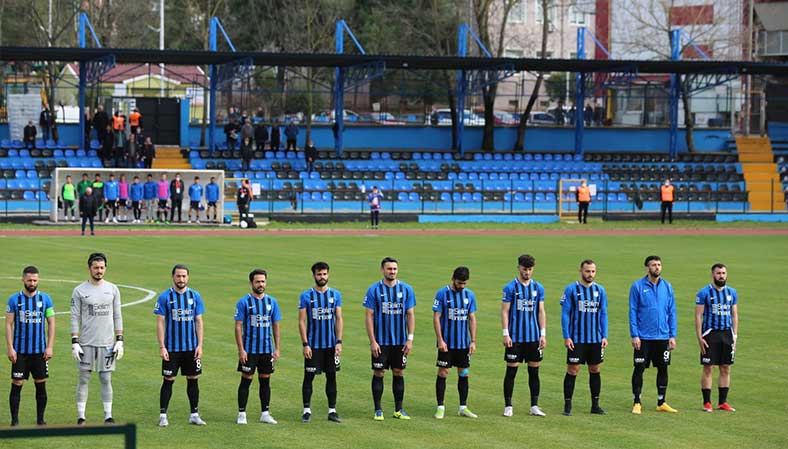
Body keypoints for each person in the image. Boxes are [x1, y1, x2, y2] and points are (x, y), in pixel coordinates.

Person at [70, 253, 124, 424]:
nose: (99, 271)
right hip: (86, 343)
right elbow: (74, 317)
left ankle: (108, 415)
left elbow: (117, 315)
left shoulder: (113, 289)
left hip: (107, 343)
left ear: (105, 268)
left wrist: (120, 339)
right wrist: (75, 342)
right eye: (96, 267)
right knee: (84, 378)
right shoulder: (79, 290)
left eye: (101, 267)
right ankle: (81, 416)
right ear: (89, 268)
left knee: (106, 378)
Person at [363, 257, 416, 421]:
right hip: (381, 342)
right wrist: (372, 341)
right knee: (379, 372)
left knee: (398, 372)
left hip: (400, 342)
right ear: (382, 270)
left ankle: (398, 410)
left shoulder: (406, 289)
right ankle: (378, 410)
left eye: (394, 269)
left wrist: (410, 339)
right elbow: (369, 316)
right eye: (389, 269)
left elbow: (410, 315)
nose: (392, 271)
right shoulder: (374, 290)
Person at [154, 264, 206, 427]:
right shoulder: (165, 297)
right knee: (168, 379)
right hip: (172, 349)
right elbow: (160, 322)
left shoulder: (195, 296)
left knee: (193, 379)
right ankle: (163, 415)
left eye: (184, 276)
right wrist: (162, 347)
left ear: (188, 277)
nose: (181, 279)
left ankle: (194, 414)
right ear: (173, 277)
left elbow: (198, 321)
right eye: (178, 276)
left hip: (191, 348)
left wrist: (200, 345)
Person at [6, 266, 55, 426]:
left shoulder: (46, 299)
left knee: (41, 385)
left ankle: (40, 420)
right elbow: (8, 324)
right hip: (20, 352)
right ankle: (14, 421)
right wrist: (10, 348)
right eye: (29, 280)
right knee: (17, 384)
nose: (32, 283)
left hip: (39, 352)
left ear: (38, 280)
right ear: (23, 280)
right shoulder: (14, 300)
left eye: (35, 280)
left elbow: (51, 323)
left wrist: (49, 347)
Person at [629, 255, 677, 414]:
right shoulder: (637, 286)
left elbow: (671, 312)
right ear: (647, 268)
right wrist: (634, 334)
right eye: (653, 265)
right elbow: (633, 312)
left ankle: (661, 402)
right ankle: (637, 402)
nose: (657, 267)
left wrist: (672, 335)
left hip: (662, 337)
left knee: (663, 368)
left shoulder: (667, 287)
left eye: (659, 265)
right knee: (639, 368)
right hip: (643, 337)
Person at [560, 259, 609, 416]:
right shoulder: (571, 289)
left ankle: (595, 405)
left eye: (593, 271)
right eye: (587, 271)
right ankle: (567, 406)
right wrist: (567, 336)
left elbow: (603, 314)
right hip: (577, 339)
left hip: (595, 339)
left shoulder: (600, 290)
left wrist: (604, 335)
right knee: (573, 370)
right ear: (581, 271)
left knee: (595, 369)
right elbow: (565, 314)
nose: (590, 274)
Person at [501, 254, 547, 418]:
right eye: (524, 269)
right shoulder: (510, 288)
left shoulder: (538, 288)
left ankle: (534, 405)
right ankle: (508, 405)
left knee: (534, 372)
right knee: (511, 370)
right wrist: (506, 333)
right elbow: (505, 311)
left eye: (529, 269)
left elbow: (541, 311)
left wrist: (543, 334)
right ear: (518, 267)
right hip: (515, 338)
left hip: (533, 337)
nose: (527, 272)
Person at [298, 262, 344, 423]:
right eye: (319, 274)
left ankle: (332, 410)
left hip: (331, 346)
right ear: (314, 275)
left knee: (332, 377)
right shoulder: (306, 296)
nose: (322, 277)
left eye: (324, 274)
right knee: (309, 377)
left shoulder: (335, 295)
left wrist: (339, 341)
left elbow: (338, 319)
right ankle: (306, 410)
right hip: (313, 346)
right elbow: (302, 321)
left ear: (328, 274)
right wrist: (305, 344)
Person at [234, 269, 281, 425]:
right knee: (246, 380)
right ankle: (242, 414)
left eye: (263, 281)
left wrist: (277, 348)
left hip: (266, 349)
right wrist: (241, 350)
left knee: (265, 381)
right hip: (249, 350)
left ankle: (265, 413)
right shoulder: (244, 302)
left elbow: (276, 325)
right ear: (251, 283)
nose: (261, 284)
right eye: (257, 281)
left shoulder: (272, 302)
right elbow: (238, 326)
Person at [432, 266, 478, 420]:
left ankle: (463, 407)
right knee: (443, 372)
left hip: (463, 344)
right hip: (447, 344)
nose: (462, 286)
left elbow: (472, 318)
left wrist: (473, 341)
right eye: (459, 283)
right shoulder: (442, 293)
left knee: (464, 373)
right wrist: (440, 340)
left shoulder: (469, 295)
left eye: (464, 284)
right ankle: (440, 407)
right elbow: (436, 317)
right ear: (453, 279)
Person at [695, 263, 738, 413]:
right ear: (713, 275)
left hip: (727, 334)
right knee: (709, 367)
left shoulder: (732, 292)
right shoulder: (704, 292)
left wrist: (735, 335)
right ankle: (707, 402)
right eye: (718, 273)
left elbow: (734, 314)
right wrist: (699, 337)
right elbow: (698, 315)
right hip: (710, 334)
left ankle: (722, 402)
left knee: (726, 367)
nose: (721, 276)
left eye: (724, 273)